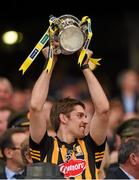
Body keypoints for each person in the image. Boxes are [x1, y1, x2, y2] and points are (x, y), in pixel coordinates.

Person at [29, 46, 110, 179]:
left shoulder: (91, 146)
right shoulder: (45, 146)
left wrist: (85, 66)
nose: (85, 120)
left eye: (85, 116)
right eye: (79, 116)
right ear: (63, 118)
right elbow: (35, 107)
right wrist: (50, 62)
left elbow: (103, 110)